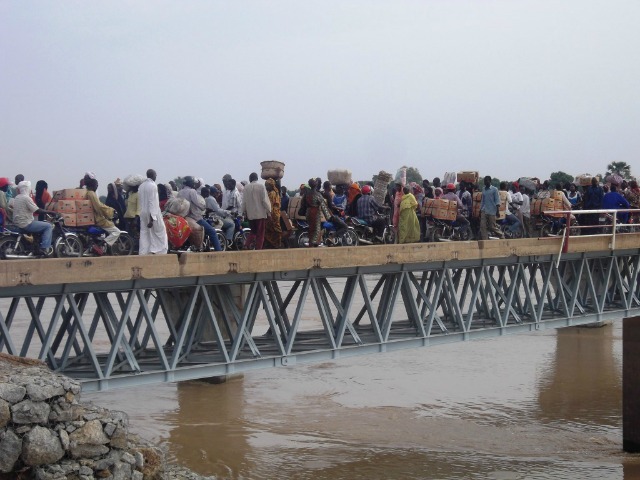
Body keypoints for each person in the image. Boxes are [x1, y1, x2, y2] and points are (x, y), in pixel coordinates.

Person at [10, 180, 55, 255]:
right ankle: (44, 248)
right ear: (27, 188)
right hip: (26, 223)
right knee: (48, 226)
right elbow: (37, 210)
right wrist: (51, 212)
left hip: (18, 223)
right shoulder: (26, 198)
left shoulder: (17, 197)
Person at [178, 176, 222, 251]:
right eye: (193, 183)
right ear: (190, 183)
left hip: (183, 216)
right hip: (193, 217)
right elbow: (197, 203)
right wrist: (204, 207)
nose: (194, 185)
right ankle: (219, 251)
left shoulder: (180, 192)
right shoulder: (192, 191)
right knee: (212, 231)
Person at [84, 178, 121, 255]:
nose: (97, 186)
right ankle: (100, 245)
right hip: (98, 218)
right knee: (116, 231)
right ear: (93, 185)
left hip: (94, 217)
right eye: (96, 185)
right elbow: (99, 206)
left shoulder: (89, 193)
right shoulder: (91, 194)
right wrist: (110, 211)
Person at [138, 169, 168, 255]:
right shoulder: (153, 186)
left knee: (145, 233)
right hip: (152, 213)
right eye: (155, 175)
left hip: (143, 213)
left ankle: (143, 253)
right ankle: (159, 252)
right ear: (153, 175)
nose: (156, 177)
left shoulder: (141, 186)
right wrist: (152, 219)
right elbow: (153, 202)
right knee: (160, 232)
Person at [241, 172, 272, 250]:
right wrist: (269, 212)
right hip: (260, 214)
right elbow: (265, 201)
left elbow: (244, 202)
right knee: (260, 234)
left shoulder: (246, 188)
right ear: (257, 178)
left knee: (253, 231)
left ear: (250, 179)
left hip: (251, 215)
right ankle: (258, 249)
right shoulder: (261, 186)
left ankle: (246, 244)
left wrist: (243, 212)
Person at [264, 178, 282, 248]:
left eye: (267, 185)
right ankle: (273, 243)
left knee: (275, 229)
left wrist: (269, 215)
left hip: (273, 214)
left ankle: (277, 243)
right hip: (272, 213)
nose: (266, 187)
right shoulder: (271, 192)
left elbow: (270, 205)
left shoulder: (272, 193)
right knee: (269, 229)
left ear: (271, 185)